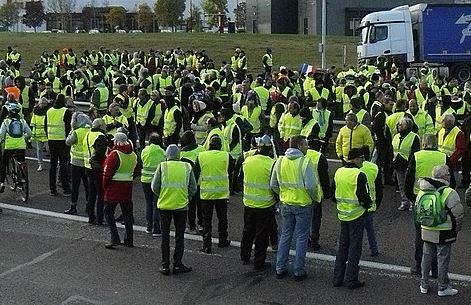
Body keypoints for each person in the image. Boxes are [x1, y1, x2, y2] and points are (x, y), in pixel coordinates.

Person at [405, 134, 455, 277]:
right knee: (438, 234)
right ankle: (436, 269)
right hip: (439, 200)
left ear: (423, 143)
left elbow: (408, 181)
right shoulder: (443, 157)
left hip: (420, 199)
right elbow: (451, 181)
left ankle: (419, 267)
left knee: (420, 234)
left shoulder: (416, 156)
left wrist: (413, 198)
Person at [270, 135, 317, 281]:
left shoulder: (280, 161)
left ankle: (280, 268)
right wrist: (313, 198)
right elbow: (311, 186)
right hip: (303, 204)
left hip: (286, 203)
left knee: (285, 235)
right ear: (299, 146)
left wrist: (283, 194)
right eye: (305, 144)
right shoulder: (305, 162)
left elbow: (273, 184)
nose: (307, 147)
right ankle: (298, 270)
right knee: (302, 237)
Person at [417, 165, 464, 297]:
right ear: (444, 177)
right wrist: (456, 230)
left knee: (426, 257)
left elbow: (417, 209)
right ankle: (442, 287)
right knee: (442, 259)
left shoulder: (422, 190)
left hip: (426, 228)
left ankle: (424, 284)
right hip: (444, 231)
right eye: (448, 174)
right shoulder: (449, 192)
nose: (450, 176)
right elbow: (458, 214)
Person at [152, 144, 197, 275]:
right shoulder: (187, 166)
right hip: (181, 206)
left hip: (165, 205)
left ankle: (165, 265)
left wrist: (162, 195)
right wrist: (186, 198)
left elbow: (154, 186)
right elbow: (193, 188)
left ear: (167, 155)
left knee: (165, 236)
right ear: (179, 156)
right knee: (179, 236)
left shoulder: (162, 166)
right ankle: (177, 264)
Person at [332, 148, 372, 289]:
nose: (363, 160)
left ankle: (337, 277)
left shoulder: (339, 172)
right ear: (355, 159)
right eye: (361, 158)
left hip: (343, 214)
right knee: (355, 248)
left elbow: (333, 195)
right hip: (356, 215)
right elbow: (363, 197)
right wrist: (368, 205)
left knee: (342, 247)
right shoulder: (359, 174)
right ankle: (351, 279)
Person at [239, 135, 276, 270]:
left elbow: (240, 180)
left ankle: (244, 256)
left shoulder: (248, 161)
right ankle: (259, 262)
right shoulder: (272, 163)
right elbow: (275, 185)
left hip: (248, 202)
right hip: (265, 205)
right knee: (262, 235)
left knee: (247, 231)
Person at [195, 136, 233, 254]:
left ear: (209, 145)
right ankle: (222, 240)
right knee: (222, 218)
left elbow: (196, 173)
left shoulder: (201, 156)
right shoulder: (226, 156)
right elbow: (231, 169)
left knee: (207, 220)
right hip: (221, 193)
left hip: (206, 193)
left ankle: (207, 245)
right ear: (220, 145)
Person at [102, 132, 138, 249]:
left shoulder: (114, 154)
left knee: (108, 213)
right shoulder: (133, 154)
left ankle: (115, 238)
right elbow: (137, 170)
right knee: (127, 214)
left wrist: (105, 186)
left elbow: (107, 173)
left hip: (114, 187)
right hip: (127, 187)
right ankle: (129, 239)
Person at [304, 137, 330, 251]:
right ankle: (315, 240)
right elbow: (324, 178)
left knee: (305, 218)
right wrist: (327, 193)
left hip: (303, 192)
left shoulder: (302, 155)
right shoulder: (320, 157)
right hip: (316, 193)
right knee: (315, 218)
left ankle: (305, 240)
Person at [0, 103, 31, 192]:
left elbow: (1, 135)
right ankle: (22, 178)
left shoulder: (6, 122)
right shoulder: (22, 121)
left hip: (9, 146)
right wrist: (25, 137)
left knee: (4, 163)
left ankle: (1, 182)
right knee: (21, 161)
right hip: (21, 146)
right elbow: (29, 133)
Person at [64, 112, 91, 215]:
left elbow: (68, 142)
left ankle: (73, 206)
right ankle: (89, 205)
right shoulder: (90, 131)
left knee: (75, 186)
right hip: (87, 162)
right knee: (87, 185)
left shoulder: (76, 132)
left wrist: (71, 131)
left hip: (76, 162)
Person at [45, 94, 72, 196]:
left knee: (53, 165)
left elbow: (45, 125)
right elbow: (68, 127)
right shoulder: (66, 111)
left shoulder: (49, 111)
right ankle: (66, 189)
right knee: (63, 165)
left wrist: (49, 136)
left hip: (52, 139)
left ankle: (52, 188)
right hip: (62, 140)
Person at [179, 130, 206, 234]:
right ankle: (201, 224)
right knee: (201, 206)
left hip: (190, 184)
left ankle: (192, 226)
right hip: (202, 181)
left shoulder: (182, 154)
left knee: (191, 206)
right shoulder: (201, 148)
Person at [392, 118, 421, 211]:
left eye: (401, 124)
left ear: (408, 126)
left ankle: (412, 202)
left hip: (408, 164)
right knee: (401, 185)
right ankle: (404, 202)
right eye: (399, 124)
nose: (399, 126)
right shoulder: (396, 136)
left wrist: (411, 165)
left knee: (410, 184)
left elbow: (415, 152)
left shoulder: (414, 137)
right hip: (397, 163)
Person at [84, 118, 109, 225]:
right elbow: (100, 152)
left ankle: (91, 216)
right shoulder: (101, 136)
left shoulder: (87, 134)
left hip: (87, 167)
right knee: (101, 195)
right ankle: (100, 218)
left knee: (91, 195)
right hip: (98, 167)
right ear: (100, 126)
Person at [140, 132, 165, 235]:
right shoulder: (162, 152)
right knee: (156, 205)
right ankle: (157, 229)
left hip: (145, 180)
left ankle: (149, 227)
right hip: (157, 181)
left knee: (148, 204)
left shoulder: (145, 151)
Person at [361, 159, 383, 257]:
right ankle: (373, 248)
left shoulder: (352, 170)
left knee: (354, 231)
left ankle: (352, 249)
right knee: (370, 228)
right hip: (370, 205)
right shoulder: (373, 168)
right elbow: (379, 188)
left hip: (356, 207)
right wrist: (377, 203)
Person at [437, 114, 464, 181]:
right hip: (441, 161)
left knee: (451, 182)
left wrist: (450, 161)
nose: (441, 122)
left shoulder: (458, 133)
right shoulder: (441, 130)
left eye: (443, 120)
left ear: (449, 122)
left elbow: (461, 150)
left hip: (453, 164)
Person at [30, 97, 49, 172]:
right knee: (39, 150)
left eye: (44, 103)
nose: (42, 105)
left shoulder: (48, 111)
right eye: (41, 103)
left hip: (47, 134)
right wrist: (33, 135)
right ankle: (40, 164)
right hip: (39, 134)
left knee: (49, 150)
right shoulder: (35, 111)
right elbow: (33, 123)